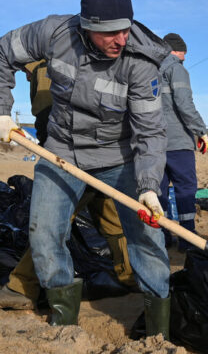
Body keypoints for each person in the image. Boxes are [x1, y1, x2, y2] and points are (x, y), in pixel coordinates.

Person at [0, 0, 172, 338]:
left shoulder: (140, 62)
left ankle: (159, 329)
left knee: (146, 235)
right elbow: (2, 52)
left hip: (121, 156)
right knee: (44, 231)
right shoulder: (54, 32)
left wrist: (149, 186)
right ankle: (65, 326)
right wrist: (2, 110)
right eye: (110, 33)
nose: (121, 40)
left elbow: (150, 132)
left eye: (125, 30)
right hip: (62, 150)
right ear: (87, 26)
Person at [0, 60, 135, 310]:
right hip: (89, 149)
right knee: (110, 214)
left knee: (53, 221)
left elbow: (48, 119)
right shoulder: (56, 64)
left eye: (26, 72)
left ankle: (22, 286)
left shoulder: (49, 68)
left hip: (74, 154)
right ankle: (130, 275)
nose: (26, 77)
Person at [158, 33, 208, 252]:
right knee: (186, 189)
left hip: (154, 143)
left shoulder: (150, 70)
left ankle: (161, 236)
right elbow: (184, 104)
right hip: (178, 142)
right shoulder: (176, 69)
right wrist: (201, 130)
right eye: (183, 53)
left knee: (159, 190)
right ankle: (187, 237)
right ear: (175, 50)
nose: (185, 58)